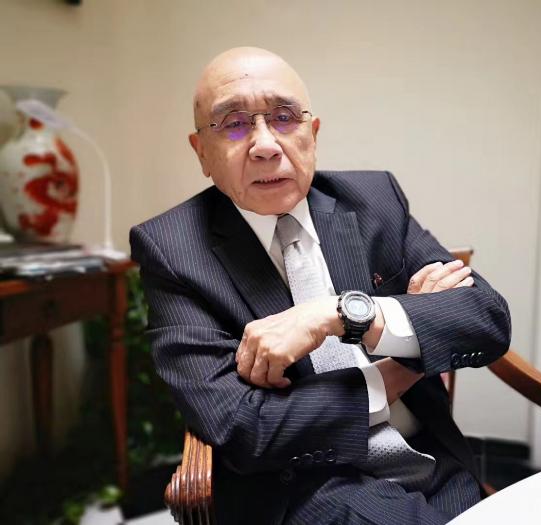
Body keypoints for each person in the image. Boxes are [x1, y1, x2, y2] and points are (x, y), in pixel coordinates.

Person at [130, 47, 511, 525]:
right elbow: (244, 428)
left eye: (284, 117)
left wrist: (335, 314)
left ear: (312, 134)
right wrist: (409, 361)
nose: (265, 145)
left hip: (432, 462)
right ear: (202, 152)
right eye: (233, 124)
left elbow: (486, 320)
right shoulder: (173, 248)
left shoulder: (374, 200)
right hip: (304, 486)